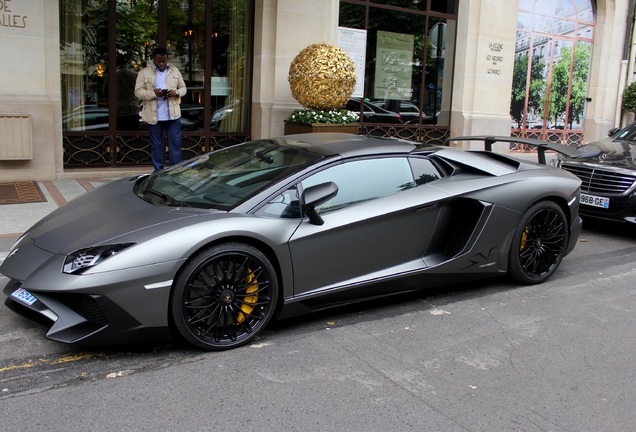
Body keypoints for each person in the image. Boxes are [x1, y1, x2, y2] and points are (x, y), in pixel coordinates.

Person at [135, 47, 187, 171]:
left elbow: (184, 88)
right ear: (154, 59)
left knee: (175, 144)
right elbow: (138, 92)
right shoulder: (144, 72)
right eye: (159, 61)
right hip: (154, 116)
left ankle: (175, 171)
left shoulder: (174, 71)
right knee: (157, 146)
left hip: (172, 115)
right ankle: (159, 172)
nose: (162, 63)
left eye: (164, 61)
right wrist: (154, 94)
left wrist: (176, 93)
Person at [104, 56, 140, 131]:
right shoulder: (135, 75)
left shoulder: (112, 75)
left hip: (118, 110)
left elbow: (105, 92)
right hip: (133, 109)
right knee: (133, 136)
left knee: (119, 136)